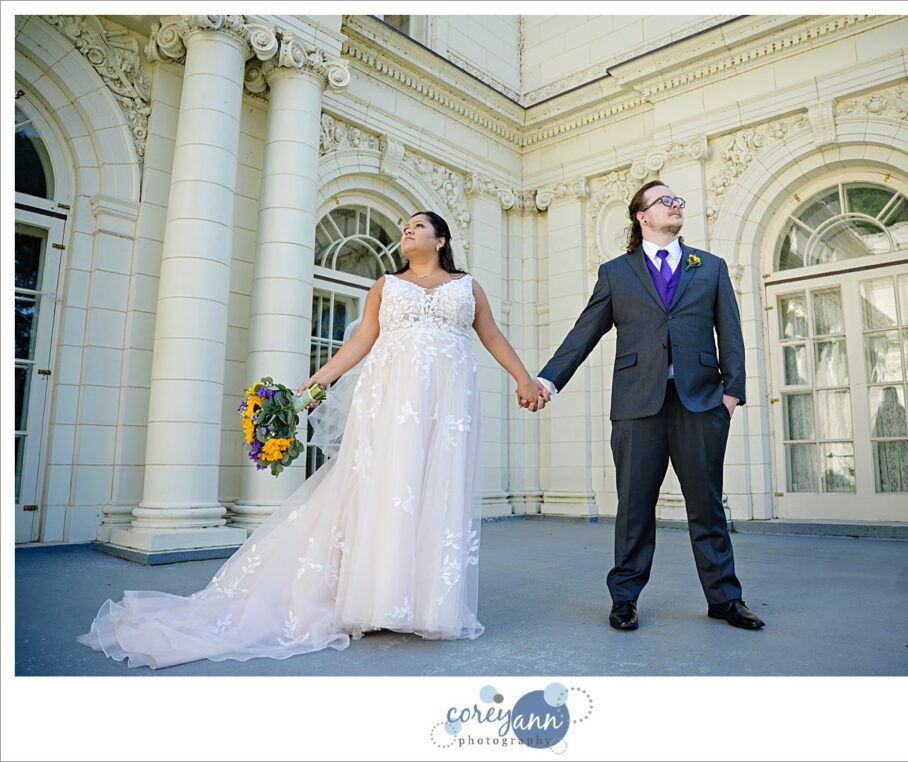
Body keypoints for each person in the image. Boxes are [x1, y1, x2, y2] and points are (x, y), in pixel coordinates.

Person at [78, 211, 547, 669]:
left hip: (449, 406)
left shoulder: (467, 287)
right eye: (405, 226)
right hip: (390, 401)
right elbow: (361, 342)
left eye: (419, 225)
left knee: (435, 493)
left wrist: (524, 378)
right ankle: (375, 600)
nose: (408, 229)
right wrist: (312, 387)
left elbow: (491, 335)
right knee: (387, 490)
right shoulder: (386, 285)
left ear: (440, 240)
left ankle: (426, 604)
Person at [523, 180, 765, 632]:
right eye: (665, 201)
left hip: (701, 402)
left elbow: (730, 332)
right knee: (634, 507)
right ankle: (625, 599)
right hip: (637, 404)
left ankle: (725, 599)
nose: (676, 206)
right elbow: (584, 332)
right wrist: (547, 381)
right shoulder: (616, 272)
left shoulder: (709, 267)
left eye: (679, 200)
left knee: (707, 506)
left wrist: (731, 394)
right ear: (642, 216)